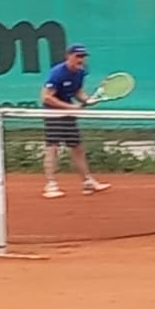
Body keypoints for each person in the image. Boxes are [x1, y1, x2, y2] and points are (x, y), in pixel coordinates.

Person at [39, 44, 110, 200]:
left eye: (83, 56)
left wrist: (86, 100)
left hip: (68, 113)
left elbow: (78, 91)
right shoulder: (57, 73)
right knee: (53, 147)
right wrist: (71, 107)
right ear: (68, 56)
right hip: (52, 112)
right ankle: (51, 185)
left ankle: (87, 182)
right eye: (78, 56)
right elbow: (46, 97)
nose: (81, 59)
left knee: (77, 147)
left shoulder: (81, 72)